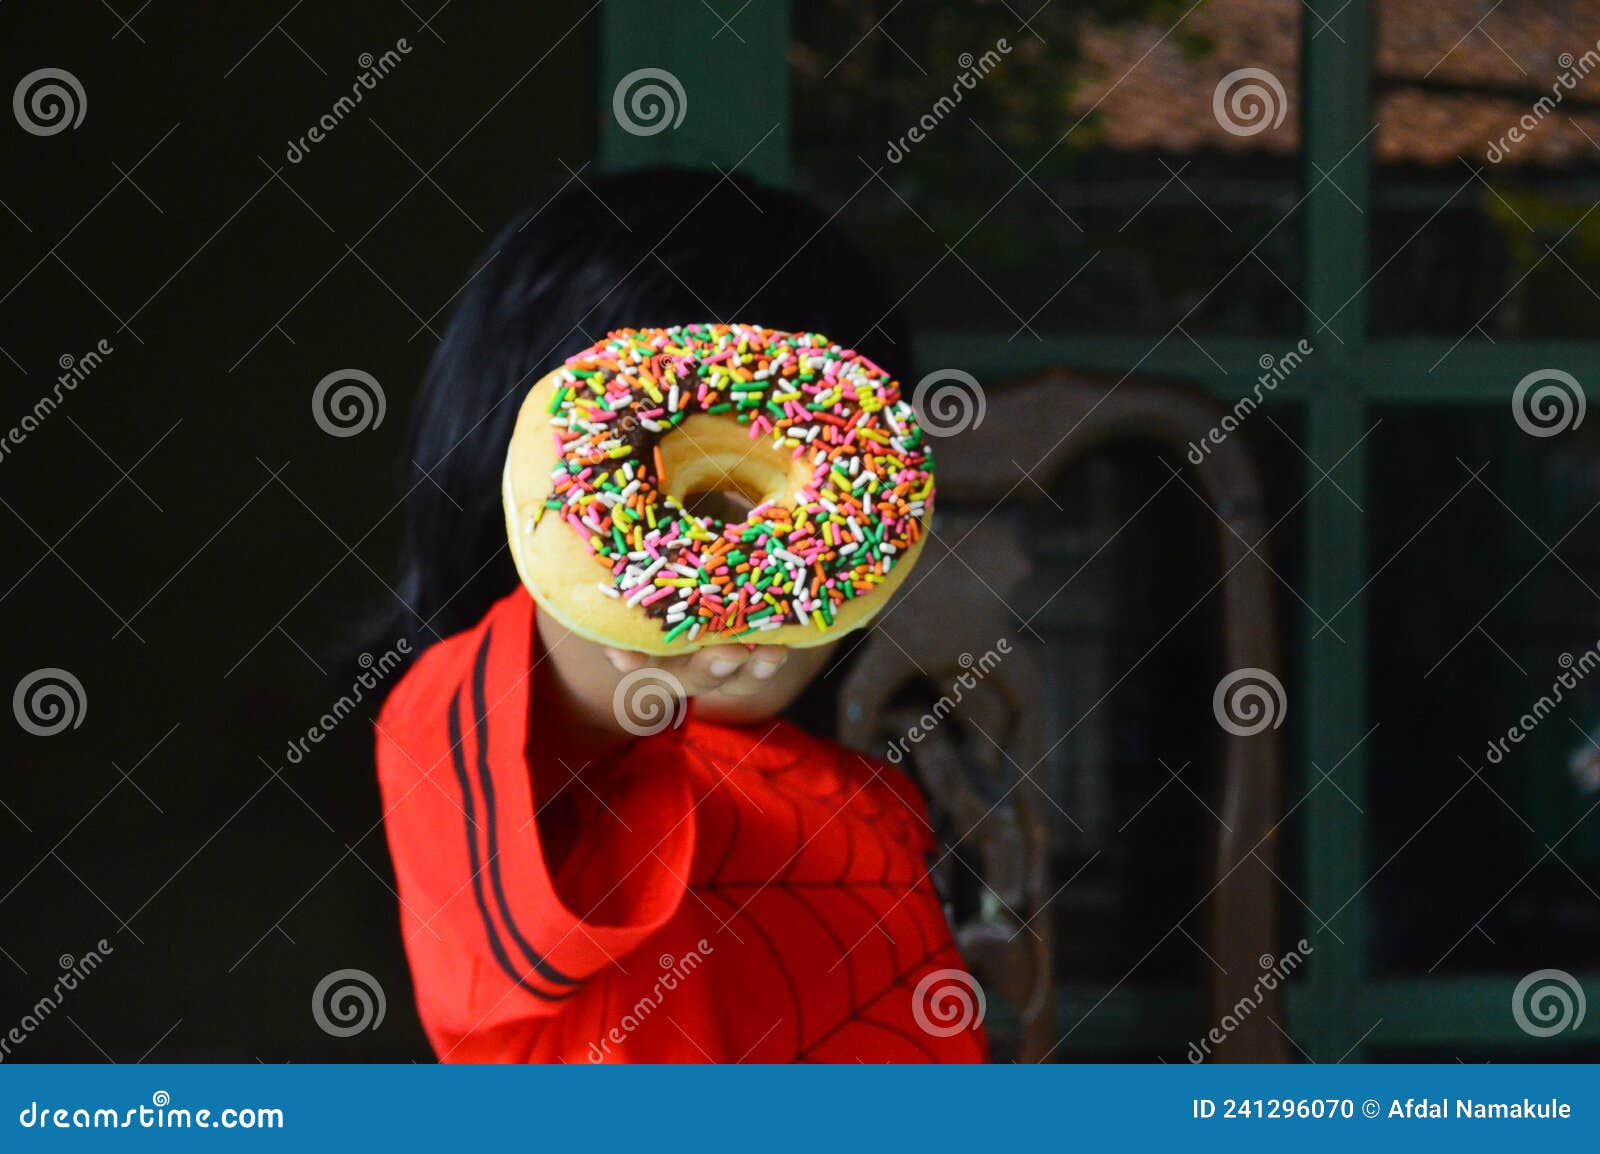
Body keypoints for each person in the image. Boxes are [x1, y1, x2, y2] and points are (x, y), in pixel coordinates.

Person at [371, 168, 987, 1062]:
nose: (731, 553)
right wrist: (620, 642)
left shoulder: (858, 798)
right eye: (702, 515)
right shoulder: (458, 720)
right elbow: (493, 974)